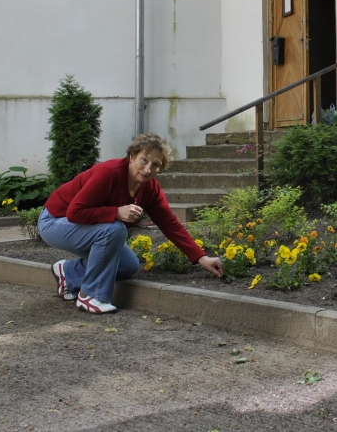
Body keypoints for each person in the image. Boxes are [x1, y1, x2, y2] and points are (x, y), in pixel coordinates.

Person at [38, 133, 223, 314]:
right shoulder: (109, 173)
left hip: (82, 227)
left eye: (156, 165)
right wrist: (116, 213)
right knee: (114, 229)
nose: (148, 169)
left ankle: (68, 273)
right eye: (144, 160)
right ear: (132, 156)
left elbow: (170, 224)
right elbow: (74, 213)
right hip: (55, 221)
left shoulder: (150, 188)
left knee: (127, 265)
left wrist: (201, 257)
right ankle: (91, 296)